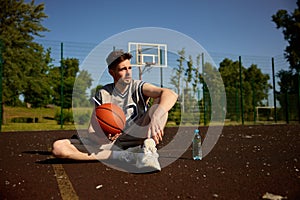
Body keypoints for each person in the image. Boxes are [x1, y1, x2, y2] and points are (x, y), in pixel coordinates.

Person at [52, 49, 178, 172]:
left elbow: (170, 93)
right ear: (111, 72)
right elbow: (91, 129)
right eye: (123, 69)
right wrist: (101, 138)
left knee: (160, 104)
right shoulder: (103, 94)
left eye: (129, 68)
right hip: (112, 143)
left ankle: (149, 149)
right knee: (59, 148)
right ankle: (125, 156)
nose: (128, 72)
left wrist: (156, 116)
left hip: (138, 135)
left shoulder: (139, 86)